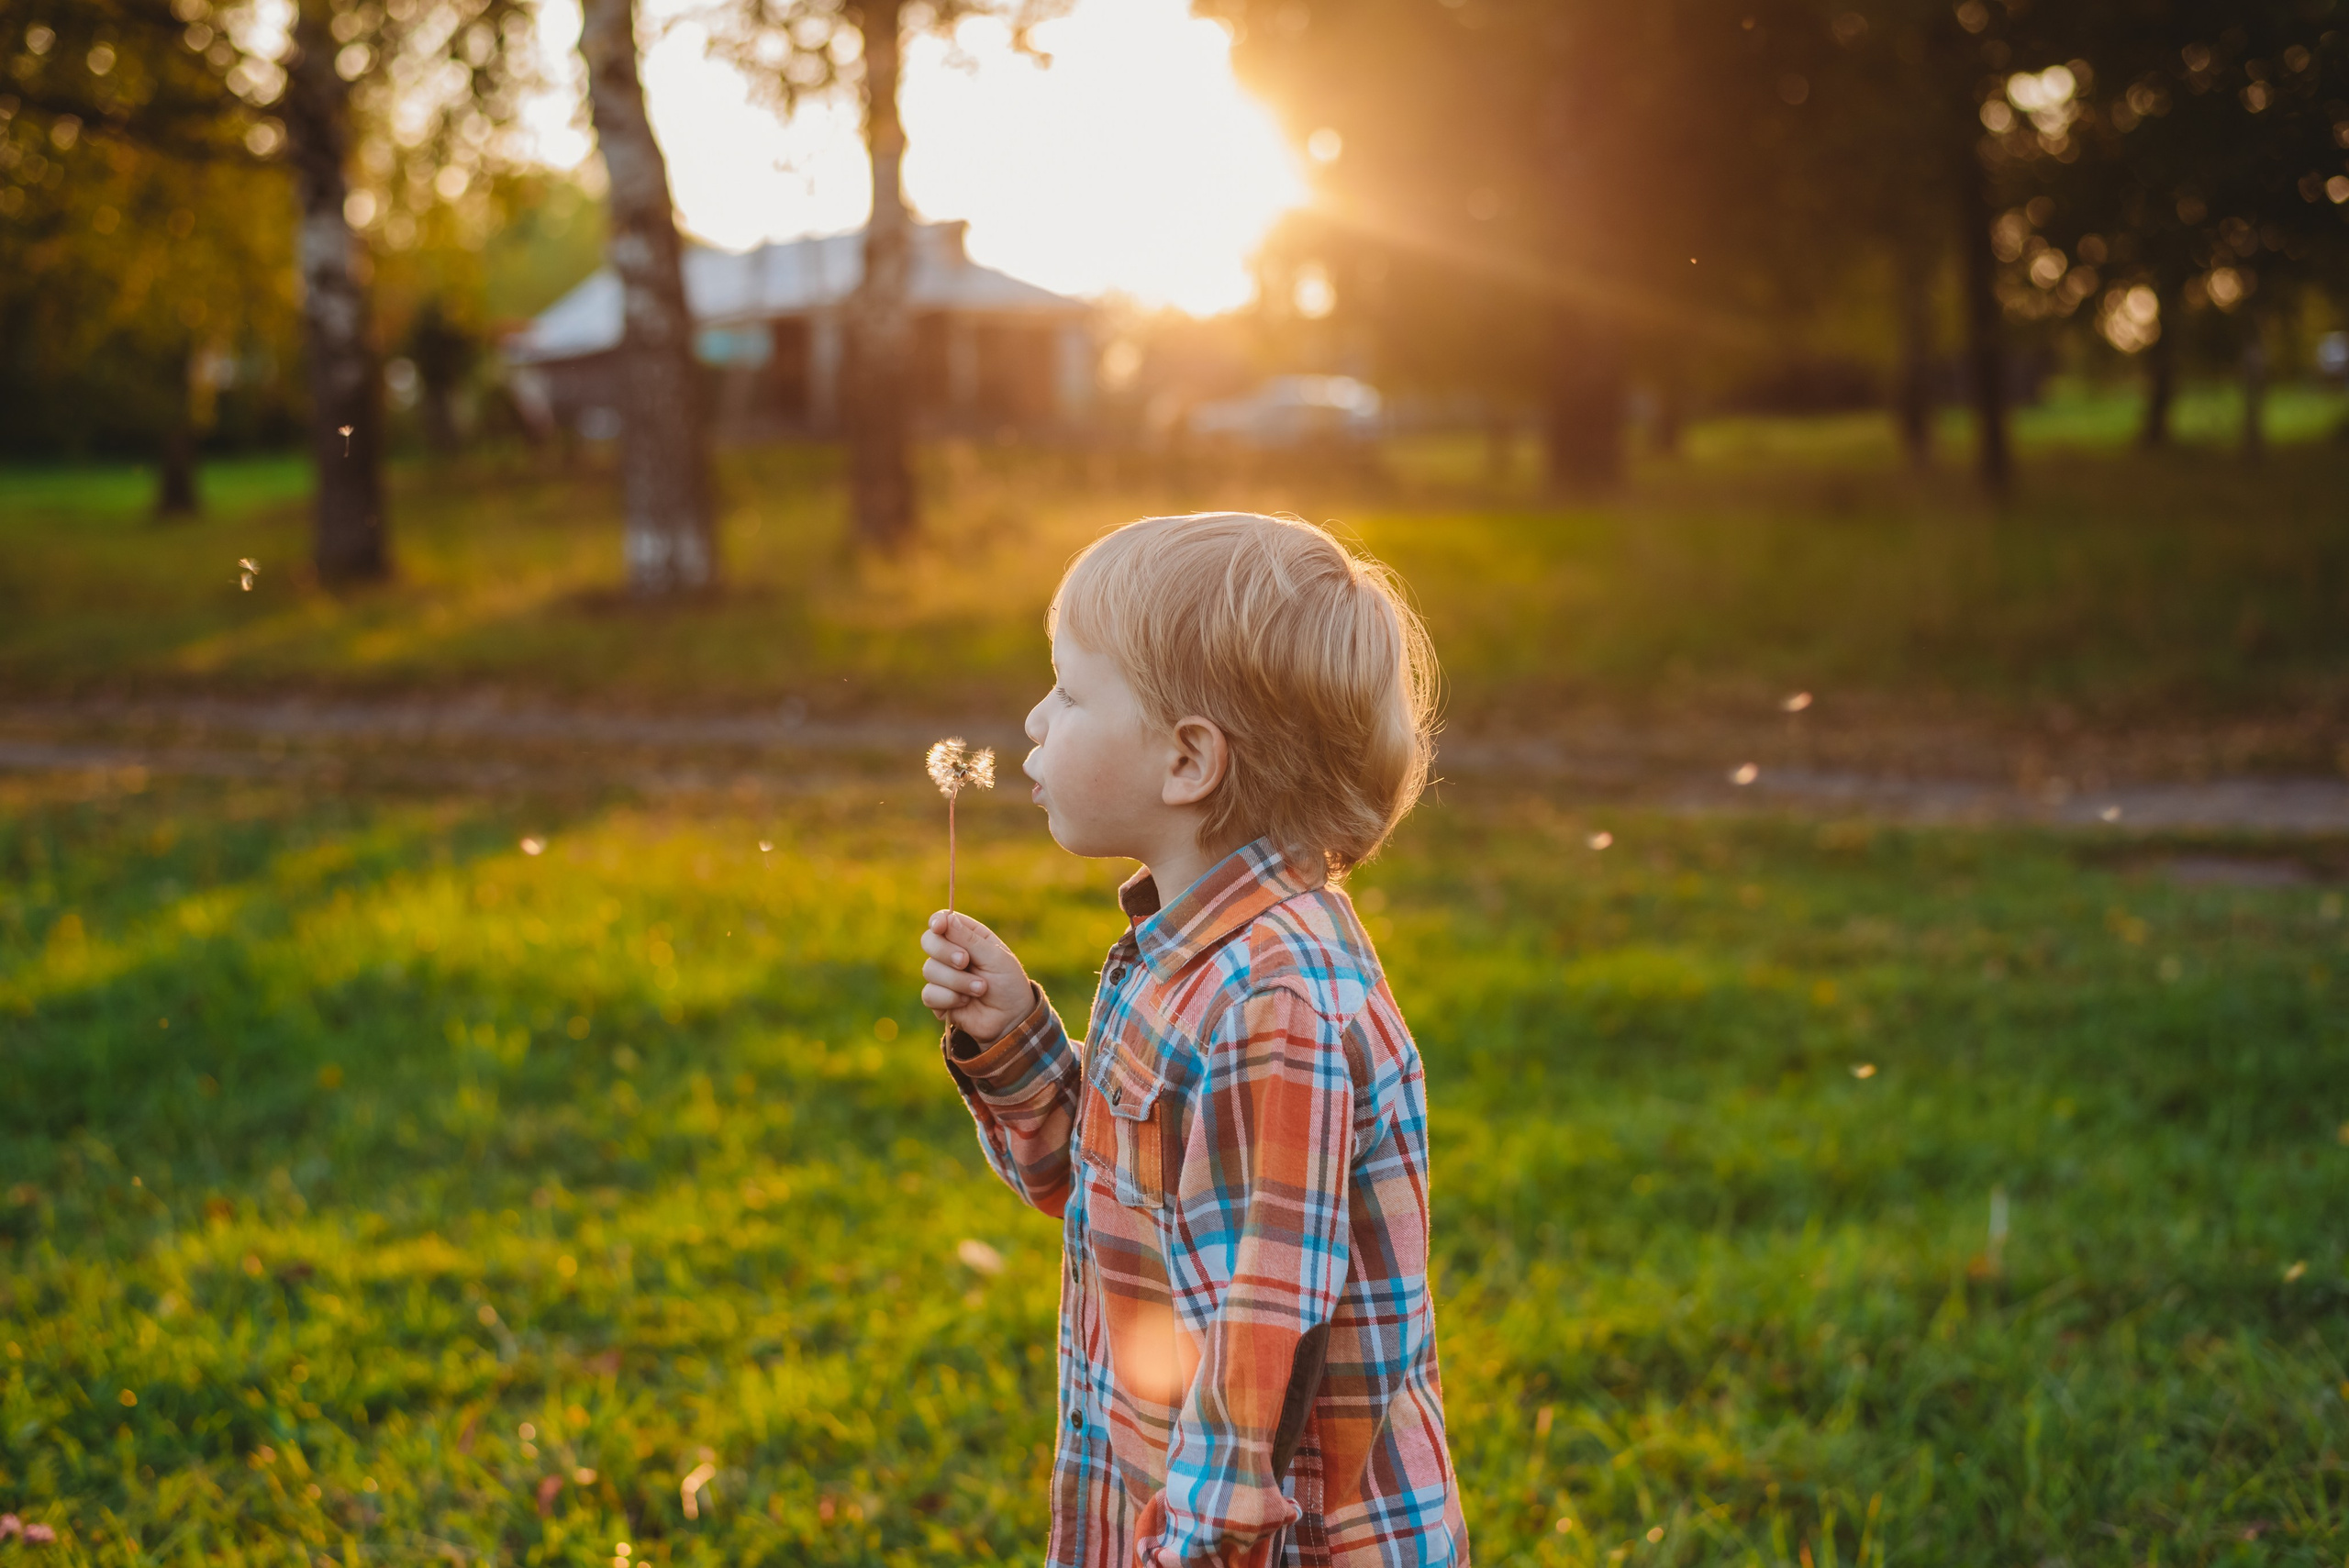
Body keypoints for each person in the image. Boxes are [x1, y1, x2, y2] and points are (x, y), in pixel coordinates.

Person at [915, 513, 1469, 1568]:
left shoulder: (1271, 1002)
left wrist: (1196, 1547)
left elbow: (1261, 1343)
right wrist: (1013, 1039)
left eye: (1070, 692)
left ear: (1187, 759)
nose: (1034, 718)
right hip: (1168, 1504)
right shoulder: (1185, 956)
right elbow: (1107, 1189)